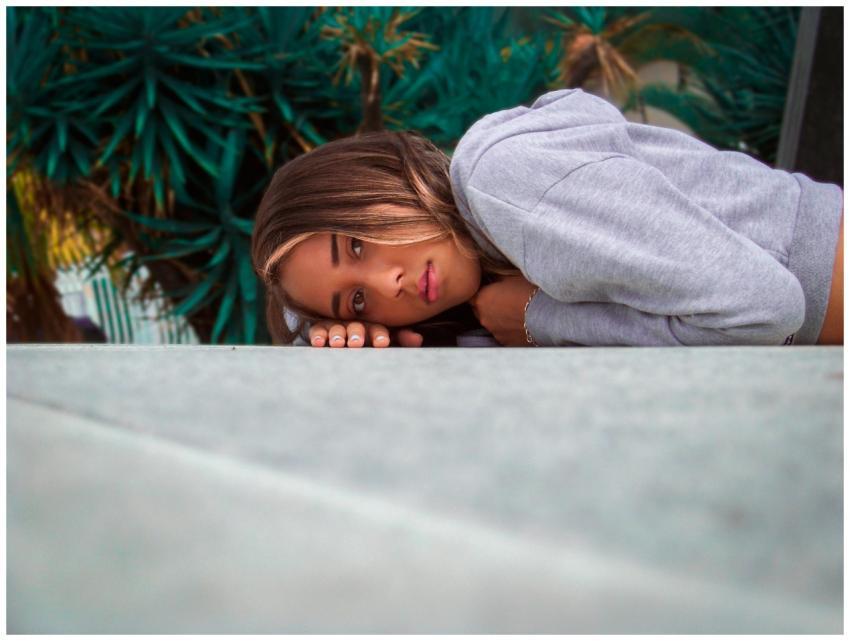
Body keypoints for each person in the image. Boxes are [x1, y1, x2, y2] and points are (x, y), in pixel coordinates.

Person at [251, 89, 843, 348]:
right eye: (357, 301)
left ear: (377, 179)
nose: (387, 285)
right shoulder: (490, 268)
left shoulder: (505, 182)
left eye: (357, 244)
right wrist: (316, 330)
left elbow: (767, 309)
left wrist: (540, 319)